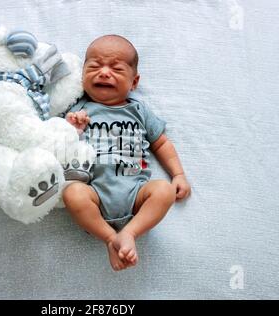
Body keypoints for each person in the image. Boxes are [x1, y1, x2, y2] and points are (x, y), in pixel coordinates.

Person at [63, 35, 191, 271]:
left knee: (164, 190)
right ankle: (110, 239)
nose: (103, 72)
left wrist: (178, 174)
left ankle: (130, 232)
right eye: (93, 66)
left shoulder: (138, 110)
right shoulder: (79, 108)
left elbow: (161, 144)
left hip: (136, 196)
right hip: (95, 195)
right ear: (82, 74)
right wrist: (71, 128)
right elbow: (59, 142)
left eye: (115, 68)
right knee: (73, 193)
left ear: (134, 82)